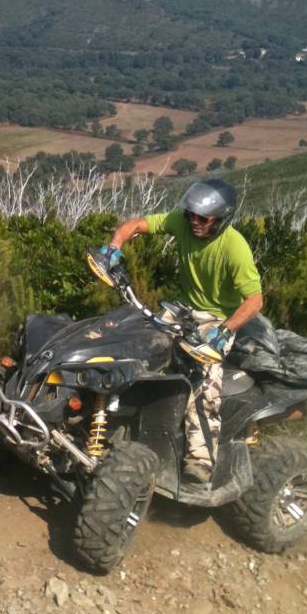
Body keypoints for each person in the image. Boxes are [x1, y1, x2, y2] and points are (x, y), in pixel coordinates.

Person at [96, 179, 263, 486]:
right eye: (191, 215)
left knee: (204, 378)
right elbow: (136, 225)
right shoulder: (183, 223)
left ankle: (201, 458)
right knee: (134, 339)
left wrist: (225, 331)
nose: (194, 222)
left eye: (203, 218)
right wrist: (114, 247)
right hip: (181, 309)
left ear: (221, 219)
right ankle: (114, 414)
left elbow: (255, 300)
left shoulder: (235, 247)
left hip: (216, 320)